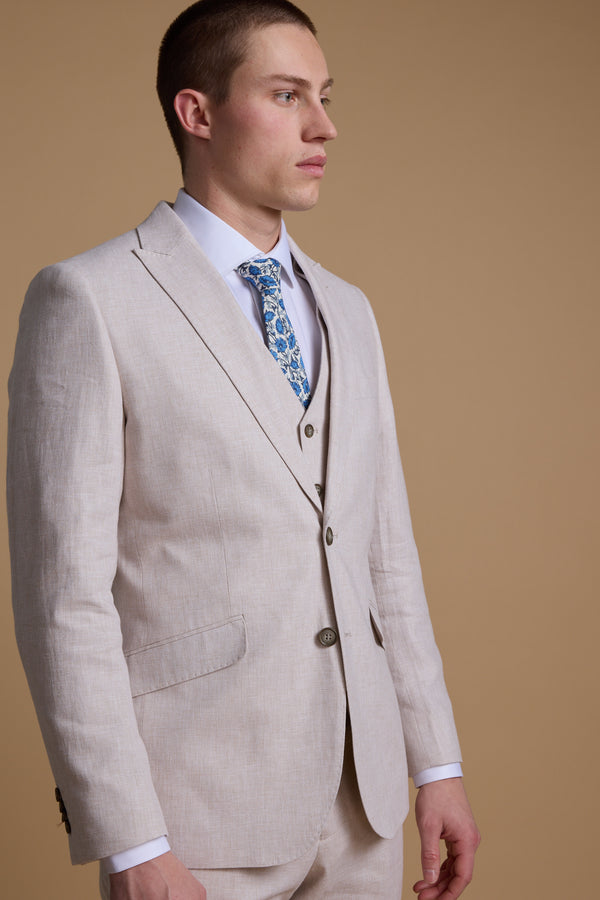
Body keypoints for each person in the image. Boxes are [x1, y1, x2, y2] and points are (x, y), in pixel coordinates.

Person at [7, 1, 480, 898]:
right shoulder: (90, 300)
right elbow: (61, 599)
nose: (324, 125)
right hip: (195, 817)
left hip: (364, 809)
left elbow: (386, 557)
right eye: (287, 93)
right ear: (198, 113)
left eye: (325, 96)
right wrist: (131, 841)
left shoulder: (349, 309)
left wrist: (435, 764)